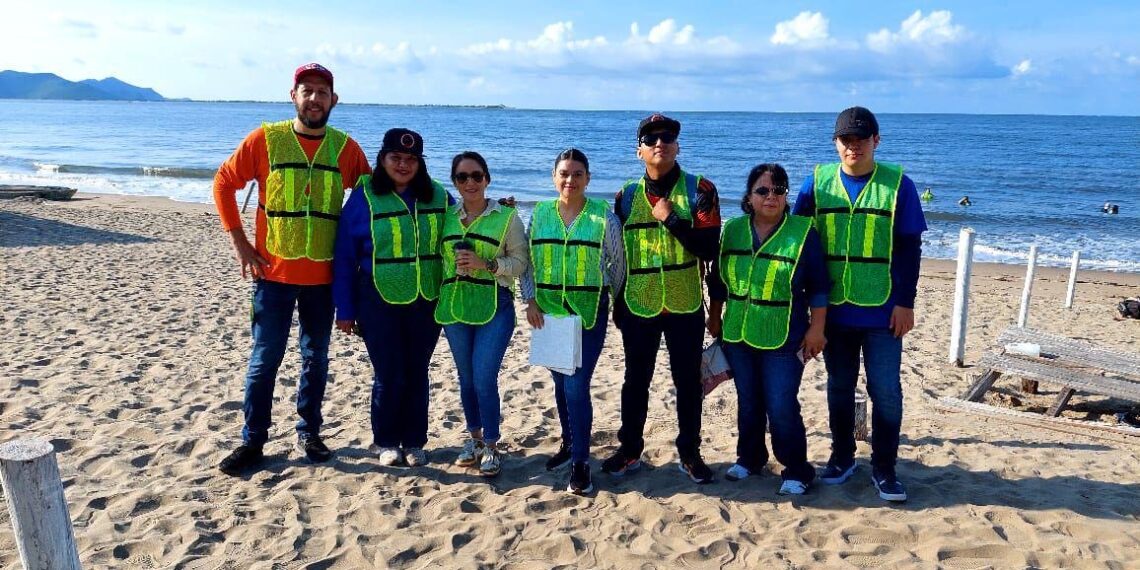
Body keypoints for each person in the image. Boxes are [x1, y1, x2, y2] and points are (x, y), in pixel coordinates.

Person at [212, 63, 371, 476]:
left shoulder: (345, 148)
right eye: (307, 90)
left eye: (322, 92)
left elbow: (374, 198)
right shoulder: (265, 140)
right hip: (272, 277)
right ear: (293, 95)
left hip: (323, 280)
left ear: (333, 100)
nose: (315, 98)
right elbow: (224, 183)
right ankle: (253, 441)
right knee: (265, 359)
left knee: (315, 359)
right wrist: (240, 242)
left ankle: (310, 432)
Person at [792, 106, 927, 502]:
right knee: (839, 386)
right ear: (836, 143)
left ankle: (884, 468)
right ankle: (842, 456)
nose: (854, 146)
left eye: (861, 139)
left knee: (885, 390)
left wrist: (906, 302)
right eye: (846, 140)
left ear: (876, 141)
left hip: (884, 310)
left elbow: (909, 247)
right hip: (833, 311)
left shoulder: (898, 184)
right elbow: (797, 241)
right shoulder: (816, 183)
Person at [602, 113, 721, 484]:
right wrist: (617, 302)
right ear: (639, 151)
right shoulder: (625, 197)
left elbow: (709, 248)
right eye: (651, 139)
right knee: (636, 379)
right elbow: (616, 256)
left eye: (667, 137)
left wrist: (673, 220)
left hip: (685, 302)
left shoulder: (700, 189)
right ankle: (630, 449)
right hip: (638, 303)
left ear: (677, 146)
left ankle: (690, 452)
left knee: (687, 382)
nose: (660, 143)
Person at [332, 128, 453, 468]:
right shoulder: (364, 197)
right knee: (389, 373)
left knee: (417, 371)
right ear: (382, 159)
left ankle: (414, 442)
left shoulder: (439, 196)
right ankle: (386, 441)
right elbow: (343, 256)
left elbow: (465, 226)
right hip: (376, 300)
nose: (403, 165)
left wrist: (495, 208)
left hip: (426, 299)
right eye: (395, 158)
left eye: (411, 159)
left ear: (420, 163)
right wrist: (345, 308)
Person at [707, 163, 829, 495]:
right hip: (738, 333)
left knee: (781, 403)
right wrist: (715, 315)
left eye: (779, 190)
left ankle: (797, 468)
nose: (771, 196)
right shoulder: (732, 230)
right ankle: (750, 458)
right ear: (749, 196)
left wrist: (817, 329)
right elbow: (717, 280)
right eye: (763, 190)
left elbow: (819, 287)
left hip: (784, 336)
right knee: (748, 400)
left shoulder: (803, 232)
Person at [520, 149, 625, 495]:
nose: (570, 180)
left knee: (577, 386)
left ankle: (581, 461)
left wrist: (613, 298)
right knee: (560, 384)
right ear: (554, 177)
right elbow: (529, 263)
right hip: (548, 312)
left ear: (588, 179)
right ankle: (568, 444)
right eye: (564, 173)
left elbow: (617, 264)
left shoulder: (603, 218)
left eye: (577, 174)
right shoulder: (540, 214)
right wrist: (530, 300)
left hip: (588, 312)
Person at [435, 151, 528, 478]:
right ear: (455, 182)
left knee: (484, 377)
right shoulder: (446, 216)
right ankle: (473, 439)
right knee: (466, 378)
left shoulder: (507, 217)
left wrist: (486, 264)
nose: (470, 182)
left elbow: (521, 264)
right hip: (455, 306)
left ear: (487, 179)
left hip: (494, 306)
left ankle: (491, 444)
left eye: (476, 176)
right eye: (462, 177)